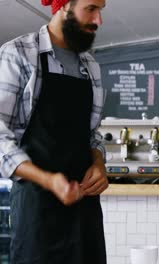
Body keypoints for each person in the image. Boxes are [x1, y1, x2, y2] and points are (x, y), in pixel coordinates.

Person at [0, 0, 108, 263]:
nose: (98, 21)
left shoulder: (90, 66)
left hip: (85, 211)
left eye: (101, 10)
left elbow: (92, 134)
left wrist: (98, 163)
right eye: (91, 8)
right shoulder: (18, 54)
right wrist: (49, 181)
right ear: (63, 5)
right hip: (37, 212)